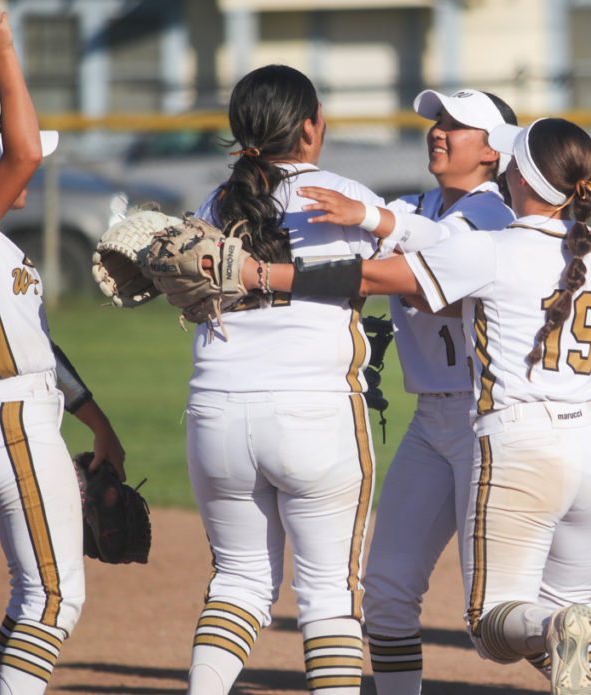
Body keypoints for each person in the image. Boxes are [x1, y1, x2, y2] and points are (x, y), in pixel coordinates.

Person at [230, 116, 591, 695]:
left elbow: (373, 274)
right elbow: (456, 299)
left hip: (518, 440)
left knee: (495, 628)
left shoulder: (493, 246)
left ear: (514, 173)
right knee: (559, 610)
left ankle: (552, 625)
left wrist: (259, 273)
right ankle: (564, 633)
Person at [297, 87, 517, 694]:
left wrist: (369, 229)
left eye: (458, 126)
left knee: (496, 612)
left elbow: (427, 283)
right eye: (437, 122)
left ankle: (589, 671)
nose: (439, 132)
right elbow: (346, 251)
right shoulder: (412, 204)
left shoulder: (498, 215)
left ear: (495, 152)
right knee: (387, 590)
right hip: (430, 423)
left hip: (490, 421)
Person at [183, 64, 382, 695]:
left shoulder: (213, 205)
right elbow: (407, 280)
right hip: (314, 414)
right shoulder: (344, 195)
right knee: (328, 593)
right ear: (309, 127)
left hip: (216, 413)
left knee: (238, 583)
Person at [0, 12, 126, 694]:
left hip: (27, 408)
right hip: (10, 422)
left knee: (34, 596)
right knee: (50, 599)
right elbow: (23, 155)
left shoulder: (7, 249)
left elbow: (39, 347)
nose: (27, 163)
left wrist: (97, 421)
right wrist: (5, 47)